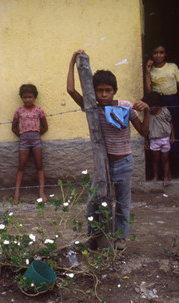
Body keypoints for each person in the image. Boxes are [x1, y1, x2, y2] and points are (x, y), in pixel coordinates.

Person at [67, 49, 150, 250]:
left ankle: (120, 237)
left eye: (108, 90)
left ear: (114, 90)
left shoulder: (124, 107)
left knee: (122, 203)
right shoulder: (93, 107)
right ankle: (95, 235)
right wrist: (71, 62)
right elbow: (71, 90)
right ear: (93, 91)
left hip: (124, 163)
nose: (104, 94)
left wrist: (147, 111)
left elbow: (143, 131)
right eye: (99, 90)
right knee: (93, 202)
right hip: (103, 165)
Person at [144, 43, 179, 164]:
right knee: (160, 128)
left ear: (166, 54)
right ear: (151, 55)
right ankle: (164, 158)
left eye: (161, 52)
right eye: (155, 52)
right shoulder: (151, 69)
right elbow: (149, 92)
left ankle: (178, 158)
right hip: (157, 102)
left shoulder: (172, 67)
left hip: (172, 100)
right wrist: (147, 73)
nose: (158, 55)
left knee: (175, 126)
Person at [11, 84, 48, 204]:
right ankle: (16, 193)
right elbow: (14, 127)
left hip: (36, 140)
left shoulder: (39, 110)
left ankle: (41, 192)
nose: (28, 100)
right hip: (24, 141)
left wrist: (36, 134)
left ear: (35, 97)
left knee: (39, 165)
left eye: (30, 97)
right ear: (21, 98)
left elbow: (45, 126)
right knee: (21, 166)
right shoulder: (19, 111)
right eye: (25, 97)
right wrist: (23, 135)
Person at [142, 92, 174, 186]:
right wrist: (146, 140)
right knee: (155, 159)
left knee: (165, 158)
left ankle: (165, 176)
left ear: (158, 105)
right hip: (154, 139)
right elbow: (145, 128)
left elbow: (170, 123)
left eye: (152, 107)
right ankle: (155, 175)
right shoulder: (148, 114)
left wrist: (172, 135)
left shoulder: (165, 111)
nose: (150, 109)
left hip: (165, 139)